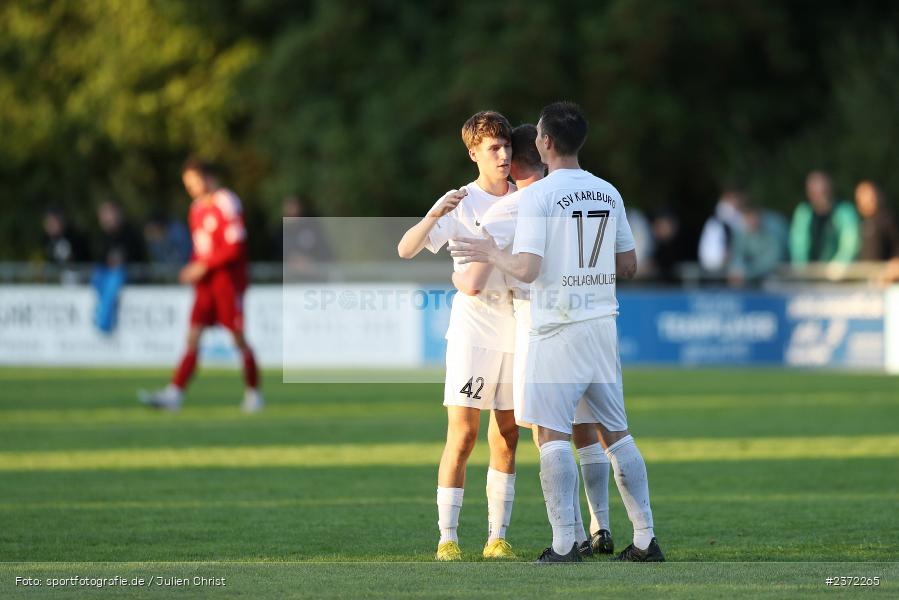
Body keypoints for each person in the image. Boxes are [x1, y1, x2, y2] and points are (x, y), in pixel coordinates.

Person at [451, 101, 662, 563]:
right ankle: (645, 538)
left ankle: (566, 543)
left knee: (551, 437)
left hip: (555, 330)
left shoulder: (538, 198)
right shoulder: (609, 192)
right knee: (618, 434)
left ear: (544, 141)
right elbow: (628, 265)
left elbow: (526, 269)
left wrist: (489, 249)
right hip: (602, 326)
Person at [397, 111, 519, 561]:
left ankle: (497, 537)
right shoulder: (462, 202)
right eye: (494, 148)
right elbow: (406, 249)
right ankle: (447, 537)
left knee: (507, 433)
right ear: (474, 153)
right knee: (463, 435)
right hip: (474, 332)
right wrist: (434, 214)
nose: (504, 154)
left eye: (506, 146)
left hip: (518, 330)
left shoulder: (526, 196)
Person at [139, 158, 262, 413]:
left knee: (238, 339)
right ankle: (174, 394)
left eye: (193, 182)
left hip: (227, 282)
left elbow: (235, 246)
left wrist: (203, 266)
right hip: (205, 285)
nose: (191, 188)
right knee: (192, 336)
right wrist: (192, 267)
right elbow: (201, 250)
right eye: (187, 184)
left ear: (207, 178)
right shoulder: (196, 209)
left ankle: (253, 393)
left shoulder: (226, 201)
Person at [91, 201, 145, 333]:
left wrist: (120, 261)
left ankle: (104, 321)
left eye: (108, 215)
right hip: (107, 274)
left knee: (115, 278)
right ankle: (102, 313)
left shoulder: (130, 233)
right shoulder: (104, 236)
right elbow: (101, 259)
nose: (106, 219)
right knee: (97, 276)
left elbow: (137, 256)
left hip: (129, 274)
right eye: (103, 216)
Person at [789, 170, 859, 266]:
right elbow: (798, 246)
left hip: (838, 275)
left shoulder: (845, 211)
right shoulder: (803, 213)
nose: (820, 195)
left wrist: (837, 268)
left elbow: (850, 245)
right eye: (815, 191)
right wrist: (802, 269)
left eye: (823, 190)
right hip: (809, 273)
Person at [727, 200, 789, 287]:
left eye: (752, 215)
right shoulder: (743, 230)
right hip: (753, 277)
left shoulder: (774, 228)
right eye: (746, 216)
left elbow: (772, 261)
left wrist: (747, 272)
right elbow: (737, 254)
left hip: (779, 275)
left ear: (759, 214)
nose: (749, 220)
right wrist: (737, 269)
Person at [277, 195, 333, 275]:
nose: (292, 211)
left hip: (314, 277)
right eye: (289, 207)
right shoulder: (279, 233)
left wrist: (311, 262)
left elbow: (326, 252)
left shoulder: (313, 228)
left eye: (294, 206)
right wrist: (290, 260)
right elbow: (274, 257)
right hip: (289, 278)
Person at [855, 180, 899, 262]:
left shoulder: (888, 219)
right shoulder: (860, 222)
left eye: (871, 195)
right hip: (864, 272)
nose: (869, 199)